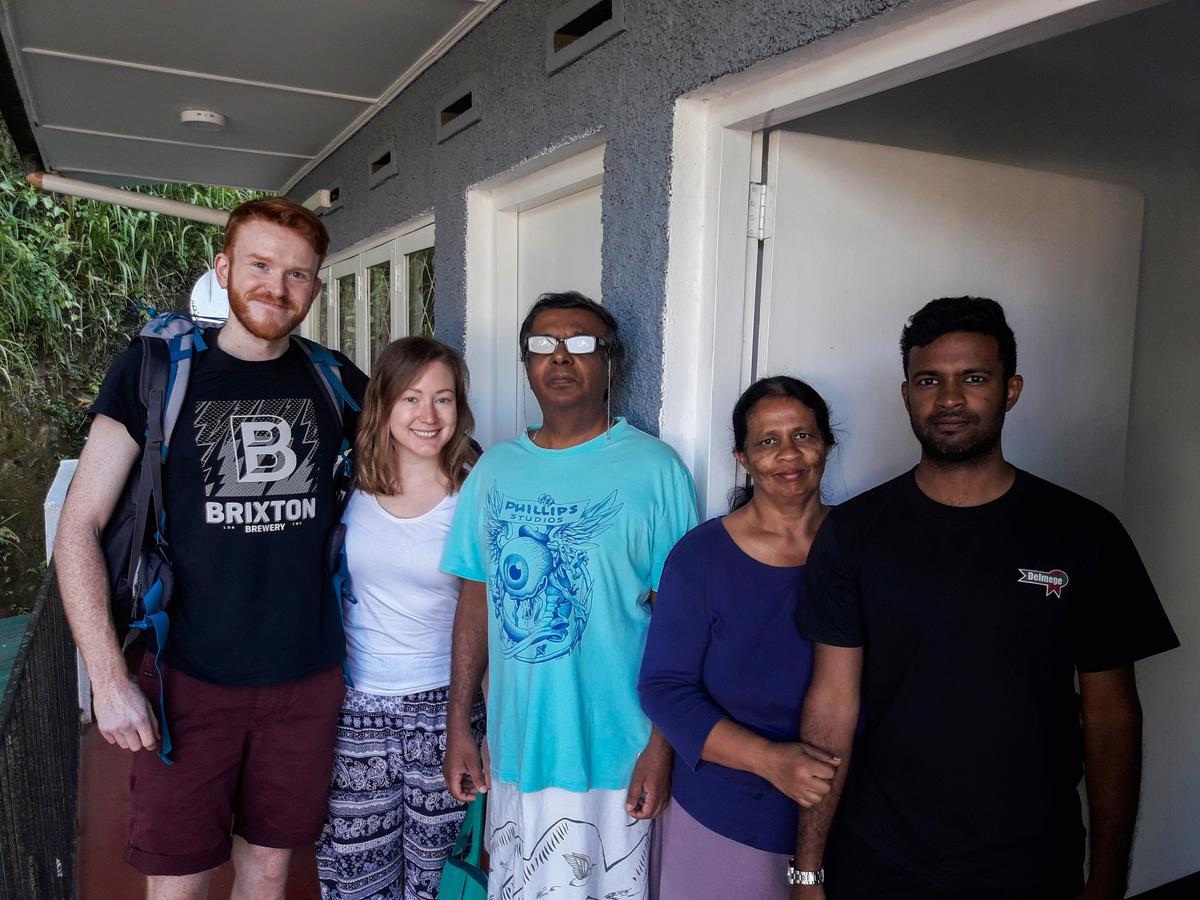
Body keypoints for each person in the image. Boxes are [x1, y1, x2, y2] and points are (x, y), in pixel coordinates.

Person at [792, 297, 1179, 899]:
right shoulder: (855, 533)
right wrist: (808, 868)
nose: (950, 400)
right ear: (906, 394)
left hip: (1031, 860)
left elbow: (1111, 718)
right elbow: (832, 704)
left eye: (974, 378)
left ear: (1011, 389)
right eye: (930, 381)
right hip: (879, 854)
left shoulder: (1084, 533)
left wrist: (1106, 881)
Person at [54, 197, 368, 899]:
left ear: (315, 288)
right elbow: (79, 527)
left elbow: (420, 459)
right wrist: (106, 680)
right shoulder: (154, 370)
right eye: (260, 265)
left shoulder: (335, 379)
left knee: (268, 867)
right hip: (186, 678)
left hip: (306, 675)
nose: (276, 287)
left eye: (297, 274)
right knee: (180, 878)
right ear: (223, 268)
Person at [440, 291, 698, 900]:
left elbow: (680, 624)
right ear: (526, 365)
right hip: (516, 750)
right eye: (543, 346)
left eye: (581, 344)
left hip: (620, 755)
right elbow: (475, 603)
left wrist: (663, 748)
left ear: (612, 362)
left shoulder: (657, 470)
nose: (560, 358)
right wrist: (459, 725)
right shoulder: (494, 470)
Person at [638, 376, 842, 900]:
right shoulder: (701, 558)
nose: (788, 454)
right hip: (725, 817)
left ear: (827, 444)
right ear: (743, 458)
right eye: (767, 441)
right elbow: (665, 687)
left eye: (803, 435)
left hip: (847, 818)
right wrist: (772, 761)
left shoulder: (861, 548)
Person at [316, 337, 486, 900]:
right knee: (355, 873)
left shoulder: (475, 491)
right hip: (355, 707)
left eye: (443, 399)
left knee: (439, 880)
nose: (428, 416)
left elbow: (485, 610)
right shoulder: (344, 482)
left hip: (444, 709)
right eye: (412, 398)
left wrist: (484, 727)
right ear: (383, 403)